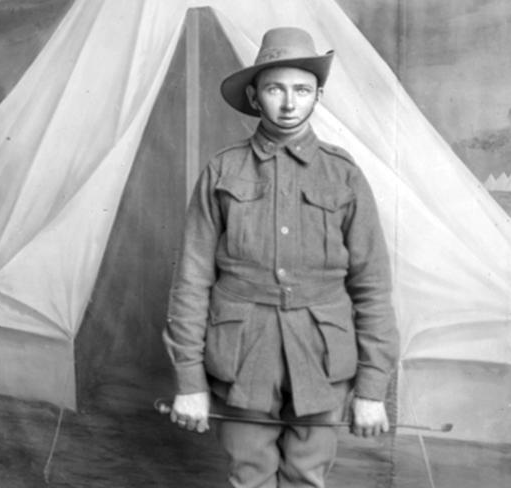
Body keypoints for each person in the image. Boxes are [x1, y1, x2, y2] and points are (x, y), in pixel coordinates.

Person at [163, 26, 398, 488]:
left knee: (307, 477)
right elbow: (190, 282)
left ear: (318, 96)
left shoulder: (345, 174)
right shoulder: (222, 171)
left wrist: (372, 388)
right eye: (275, 89)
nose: (289, 103)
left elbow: (372, 288)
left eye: (302, 90)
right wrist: (189, 381)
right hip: (242, 358)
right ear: (254, 96)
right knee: (249, 476)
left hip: (323, 360)